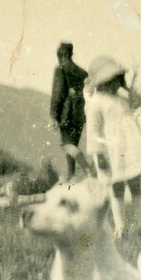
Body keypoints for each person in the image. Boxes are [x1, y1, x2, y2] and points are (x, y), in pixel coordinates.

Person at [85, 56, 141, 238]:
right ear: (101, 82)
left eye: (117, 79)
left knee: (135, 186)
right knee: (116, 189)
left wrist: (125, 87)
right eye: (111, 80)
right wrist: (99, 155)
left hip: (130, 149)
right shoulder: (96, 102)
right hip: (112, 152)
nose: (114, 84)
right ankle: (120, 227)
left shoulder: (121, 98)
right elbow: (94, 133)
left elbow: (140, 101)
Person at [50, 42, 92, 181]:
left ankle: (87, 170)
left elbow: (58, 93)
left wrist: (54, 116)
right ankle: (72, 176)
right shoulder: (83, 72)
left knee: (67, 145)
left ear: (61, 55)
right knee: (73, 144)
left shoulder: (61, 69)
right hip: (80, 114)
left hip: (67, 113)